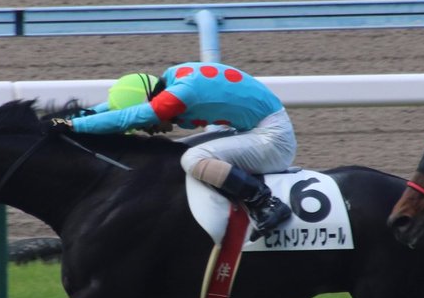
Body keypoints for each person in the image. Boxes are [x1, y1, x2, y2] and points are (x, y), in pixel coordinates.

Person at [53, 62, 296, 239]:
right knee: (178, 153)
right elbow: (113, 110)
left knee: (194, 158)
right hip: (251, 131)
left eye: (144, 124)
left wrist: (73, 125)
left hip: (273, 139)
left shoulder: (181, 93)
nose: (148, 130)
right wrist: (58, 121)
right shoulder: (167, 84)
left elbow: (126, 117)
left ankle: (266, 203)